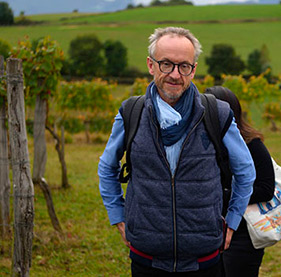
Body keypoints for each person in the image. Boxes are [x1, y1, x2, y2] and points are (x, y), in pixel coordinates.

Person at [98, 27, 256, 276]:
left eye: (184, 66)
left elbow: (245, 172)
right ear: (151, 65)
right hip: (146, 258)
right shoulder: (132, 113)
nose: (175, 74)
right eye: (166, 64)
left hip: (204, 259)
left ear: (193, 69)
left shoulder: (217, 113)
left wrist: (233, 219)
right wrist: (118, 216)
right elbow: (107, 167)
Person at [205, 86, 274, 277]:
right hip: (208, 229)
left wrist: (223, 194)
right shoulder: (204, 143)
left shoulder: (252, 145)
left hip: (243, 234)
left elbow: (266, 189)